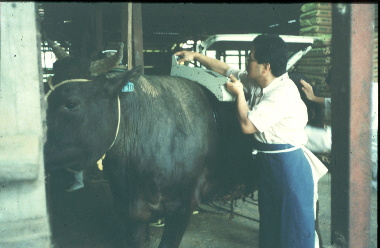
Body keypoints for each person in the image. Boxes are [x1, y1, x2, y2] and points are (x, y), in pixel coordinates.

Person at [175, 34, 328, 248]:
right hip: (269, 162)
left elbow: (247, 126)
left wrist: (239, 95)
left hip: (288, 165)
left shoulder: (282, 93)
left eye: (250, 58)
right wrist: (196, 56)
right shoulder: (258, 80)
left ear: (265, 66)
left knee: (294, 224)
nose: (247, 61)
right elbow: (224, 69)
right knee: (271, 219)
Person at [300, 78, 378, 190]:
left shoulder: (368, 102)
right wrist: (314, 98)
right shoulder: (360, 89)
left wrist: (291, 131)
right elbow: (340, 103)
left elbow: (337, 138)